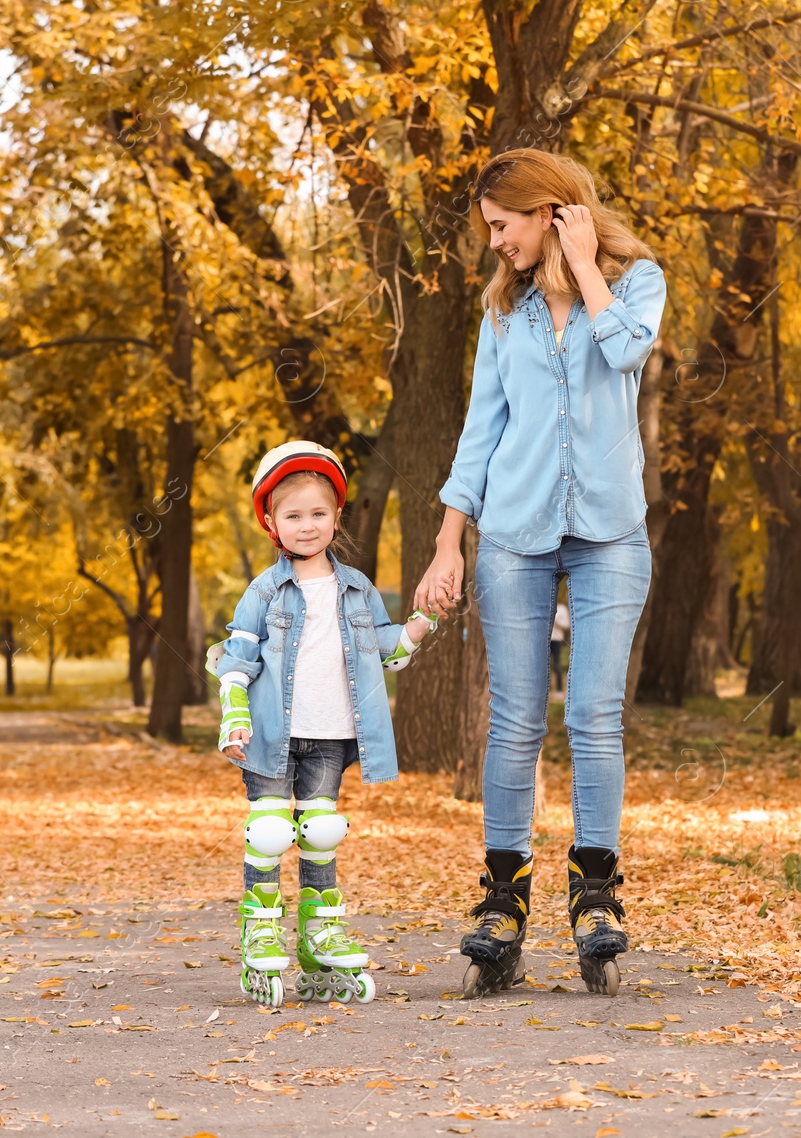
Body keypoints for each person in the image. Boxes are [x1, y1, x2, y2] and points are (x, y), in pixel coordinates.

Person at [413, 149, 665, 998]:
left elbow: (628, 353)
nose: (493, 244)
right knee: (515, 720)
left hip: (610, 535)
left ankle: (596, 895)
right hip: (515, 534)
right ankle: (502, 902)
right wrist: (450, 543)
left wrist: (586, 265)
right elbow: (480, 433)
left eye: (502, 224)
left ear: (550, 212)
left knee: (594, 715)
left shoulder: (633, 282)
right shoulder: (502, 314)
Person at [208, 441, 440, 1007]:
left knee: (321, 833)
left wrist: (423, 621)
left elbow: (381, 648)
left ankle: (319, 935)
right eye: (293, 516)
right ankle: (260, 929)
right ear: (271, 522)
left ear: (336, 517)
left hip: (332, 733)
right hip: (270, 734)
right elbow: (237, 659)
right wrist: (234, 716)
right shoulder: (263, 591)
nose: (307, 526)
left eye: (318, 513)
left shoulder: (356, 587)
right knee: (268, 833)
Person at [550, 600, 570, 694]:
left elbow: (567, 625)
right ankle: (548, 690)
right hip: (546, 639)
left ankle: (559, 689)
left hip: (557, 640)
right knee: (546, 666)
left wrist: (556, 621)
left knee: (557, 664)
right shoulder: (547, 605)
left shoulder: (562, 609)